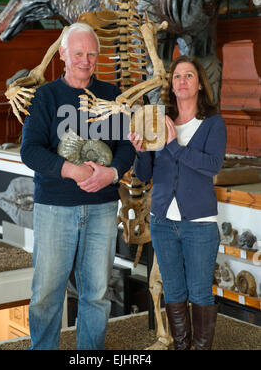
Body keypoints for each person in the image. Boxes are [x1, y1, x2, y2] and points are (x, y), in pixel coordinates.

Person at [20, 22, 135, 350]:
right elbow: (30, 150)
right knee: (46, 295)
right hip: (55, 208)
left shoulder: (112, 95)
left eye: (92, 54)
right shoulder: (46, 96)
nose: (86, 60)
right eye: (79, 53)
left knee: (97, 295)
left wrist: (111, 173)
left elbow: (126, 146)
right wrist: (69, 169)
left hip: (102, 208)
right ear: (63, 55)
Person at [129, 55, 226, 350]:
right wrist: (141, 151)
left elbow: (211, 166)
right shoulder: (159, 121)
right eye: (176, 77)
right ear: (171, 86)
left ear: (199, 85)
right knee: (173, 291)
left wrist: (174, 146)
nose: (181, 81)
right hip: (161, 223)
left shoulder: (213, 123)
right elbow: (144, 175)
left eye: (188, 76)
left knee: (199, 293)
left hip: (199, 225)